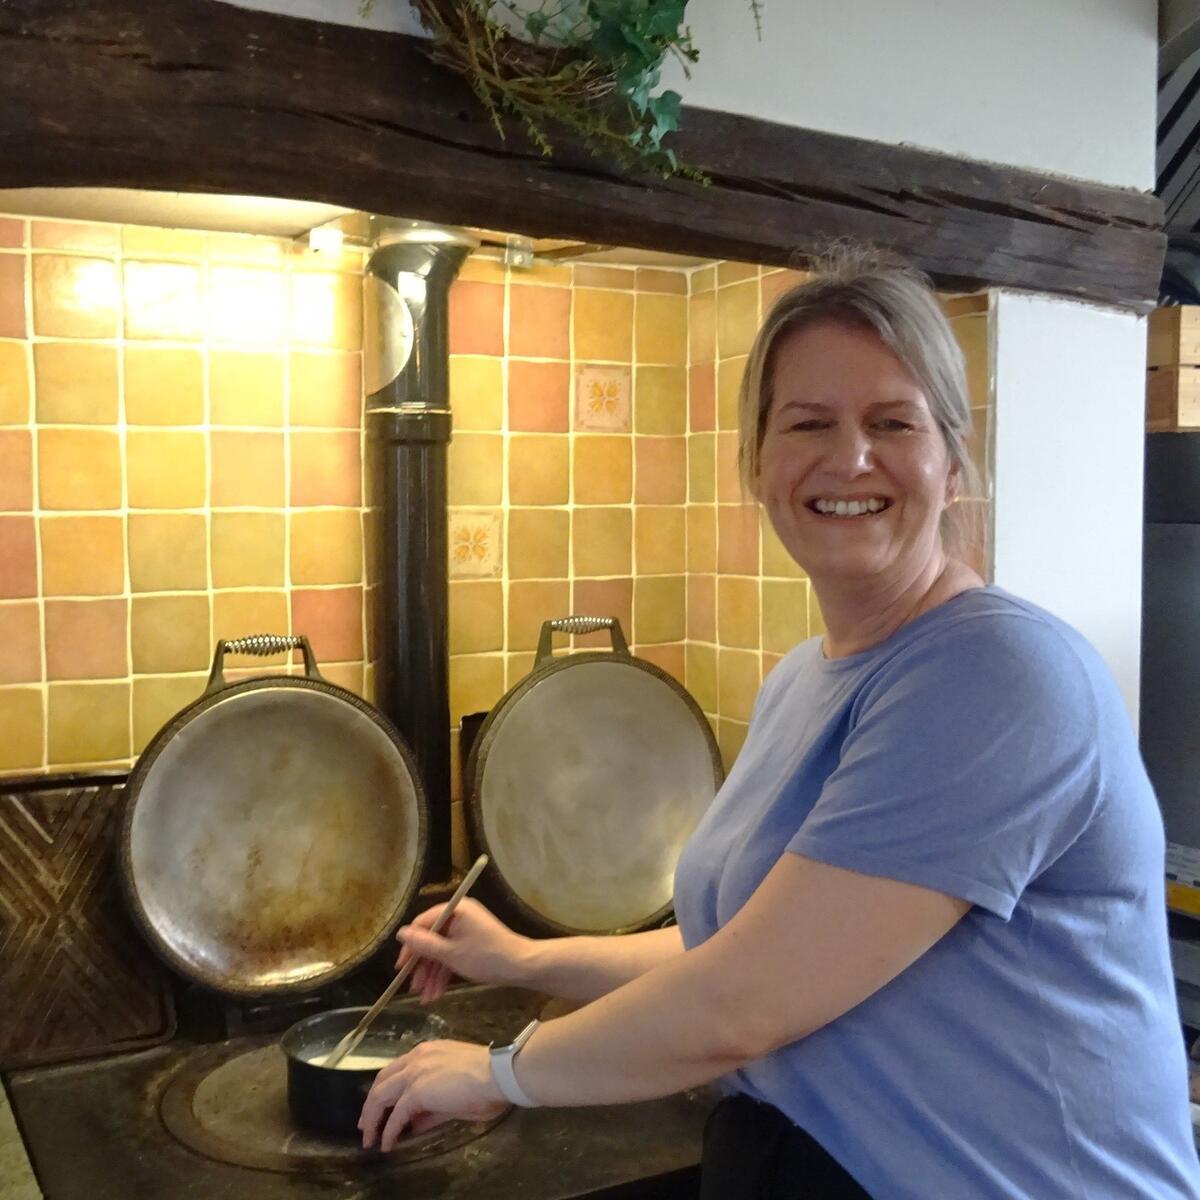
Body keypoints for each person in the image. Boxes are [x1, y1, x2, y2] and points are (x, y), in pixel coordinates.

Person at [358, 256, 1200, 1199]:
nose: (849, 459)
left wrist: (502, 1070)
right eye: (808, 423)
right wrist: (518, 958)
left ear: (953, 464)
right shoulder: (804, 679)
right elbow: (750, 942)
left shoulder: (998, 675)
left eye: (892, 423)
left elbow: (745, 1000)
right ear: (756, 466)